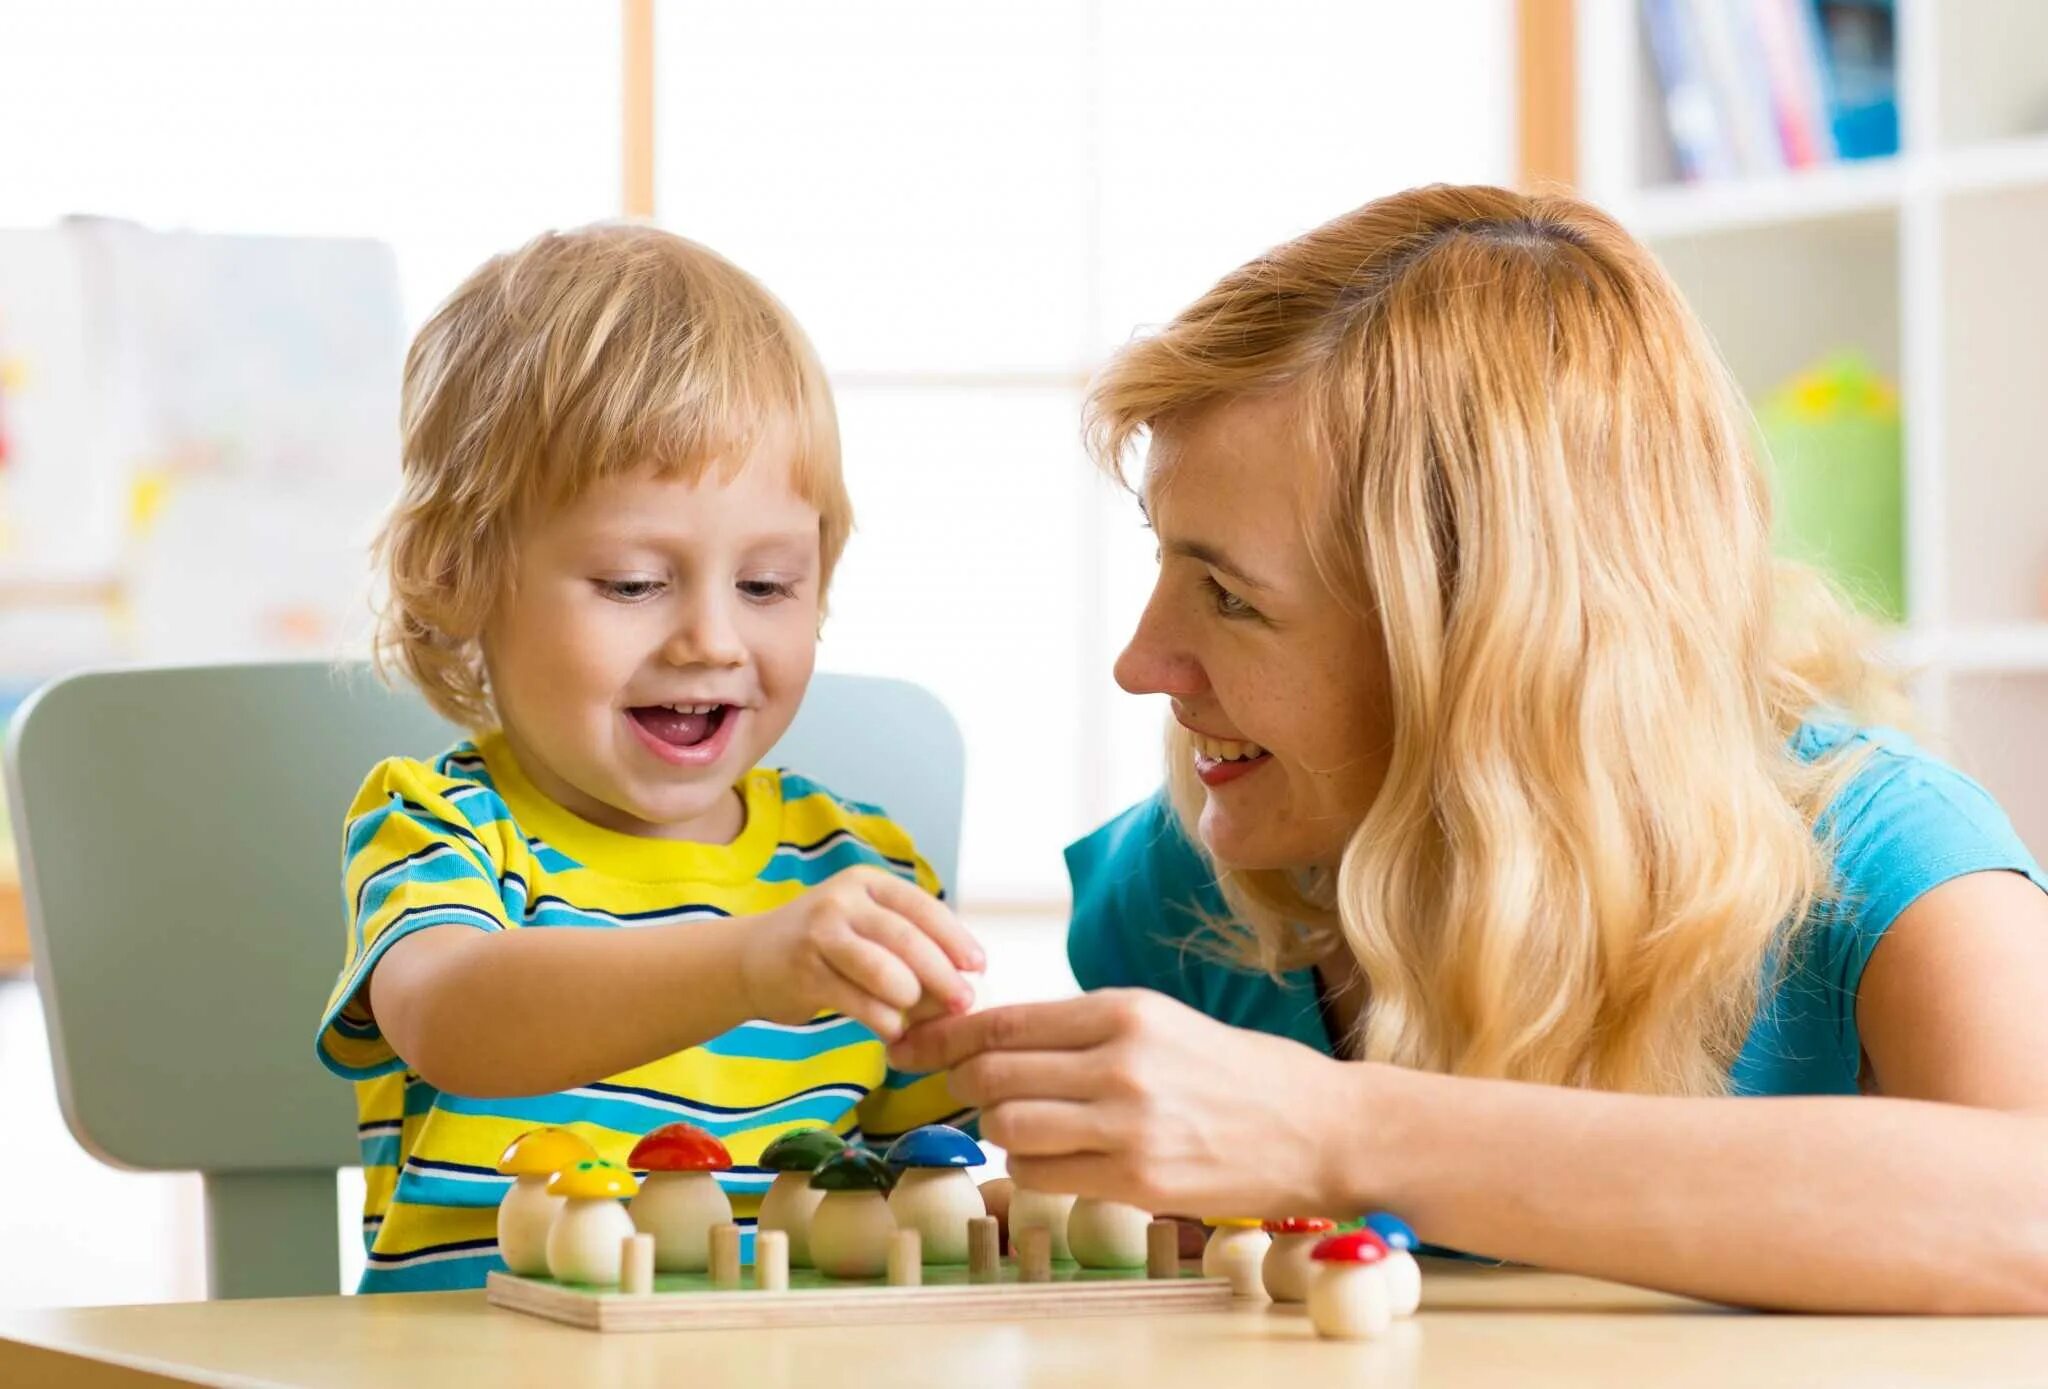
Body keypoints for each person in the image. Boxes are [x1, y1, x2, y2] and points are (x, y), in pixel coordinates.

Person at [897, 185, 2048, 1313]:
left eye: (1231, 598)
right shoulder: (1182, 891)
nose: (1142, 663)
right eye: (1163, 560)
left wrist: (1330, 1131)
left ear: (1490, 636)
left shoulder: (1887, 861)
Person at [316, 225, 981, 1292]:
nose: (711, 640)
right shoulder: (443, 826)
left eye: (766, 586)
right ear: (455, 576)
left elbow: (936, 1188)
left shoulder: (854, 867)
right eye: (632, 583)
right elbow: (453, 1021)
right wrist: (751, 961)